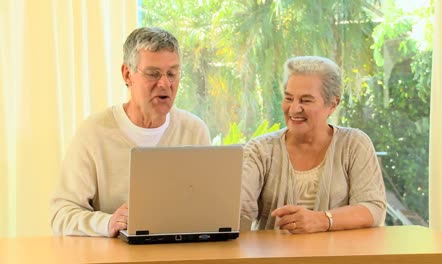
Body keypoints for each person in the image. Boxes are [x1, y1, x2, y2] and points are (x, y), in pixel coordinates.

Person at [50, 27, 211, 237]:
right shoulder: (93, 132)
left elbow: (208, 210)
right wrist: (108, 222)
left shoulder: (195, 131)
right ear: (127, 74)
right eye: (153, 74)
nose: (165, 84)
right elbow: (60, 216)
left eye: (172, 73)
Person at [241, 56, 386, 234]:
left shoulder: (354, 144)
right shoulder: (259, 150)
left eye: (306, 100)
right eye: (288, 98)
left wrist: (321, 220)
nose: (294, 109)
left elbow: (373, 208)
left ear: (332, 105)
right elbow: (239, 213)